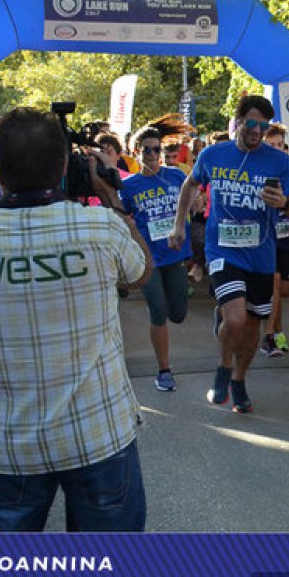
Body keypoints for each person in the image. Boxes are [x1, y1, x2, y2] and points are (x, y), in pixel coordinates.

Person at [0, 107, 152, 531]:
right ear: (62, 167)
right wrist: (109, 197)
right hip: (98, 434)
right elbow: (141, 272)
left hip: (11, 444)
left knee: (8, 570)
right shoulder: (100, 226)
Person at [169, 94, 289, 412]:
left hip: (260, 255)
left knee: (252, 325)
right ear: (239, 121)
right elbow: (190, 185)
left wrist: (284, 203)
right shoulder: (214, 154)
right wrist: (179, 225)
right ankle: (224, 366)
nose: (257, 130)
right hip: (223, 249)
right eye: (252, 123)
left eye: (264, 126)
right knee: (236, 317)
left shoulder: (280, 162)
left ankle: (239, 380)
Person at [118, 124, 193, 391]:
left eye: (156, 149)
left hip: (174, 254)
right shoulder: (129, 186)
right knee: (158, 311)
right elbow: (121, 215)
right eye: (146, 150)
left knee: (178, 314)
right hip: (148, 259)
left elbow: (192, 195)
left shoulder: (175, 176)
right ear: (136, 152)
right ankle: (164, 370)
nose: (151, 154)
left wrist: (194, 205)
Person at [262, 123, 289, 357]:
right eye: (272, 145)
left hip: (287, 235)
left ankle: (270, 324)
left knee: (284, 289)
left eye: (280, 144)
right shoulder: (258, 169)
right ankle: (274, 334)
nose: (277, 149)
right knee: (275, 285)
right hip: (266, 237)